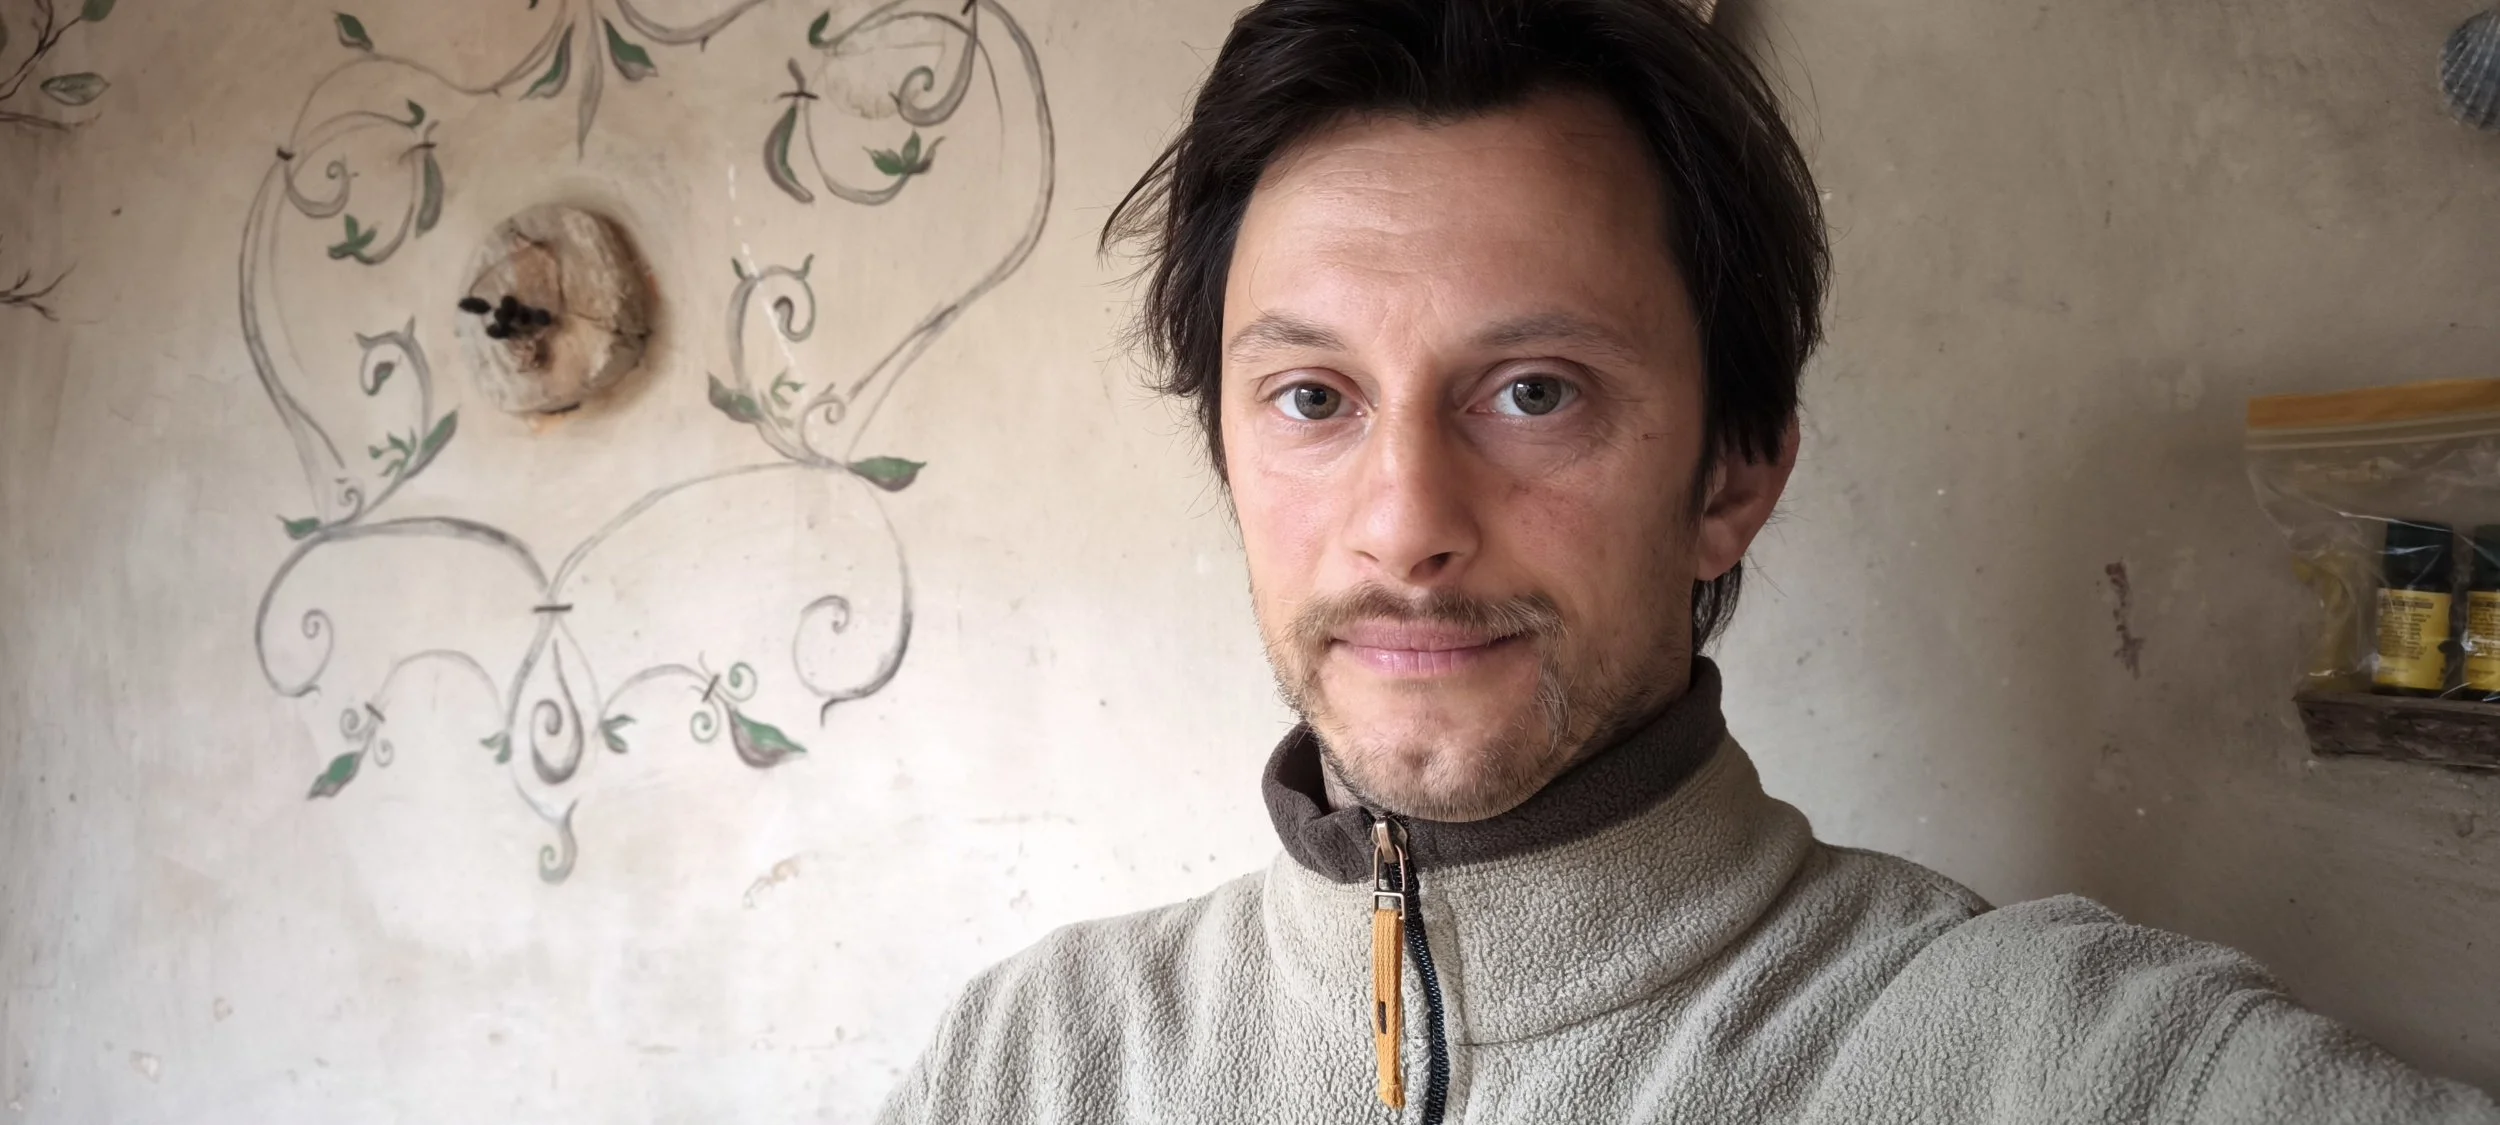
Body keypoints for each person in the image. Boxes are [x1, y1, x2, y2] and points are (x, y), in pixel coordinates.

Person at [877, 0, 2500, 1120]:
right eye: (1313, 397)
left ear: (1735, 472)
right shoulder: (1032, 1063)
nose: (1403, 519)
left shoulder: (2062, 1064)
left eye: (1535, 392)